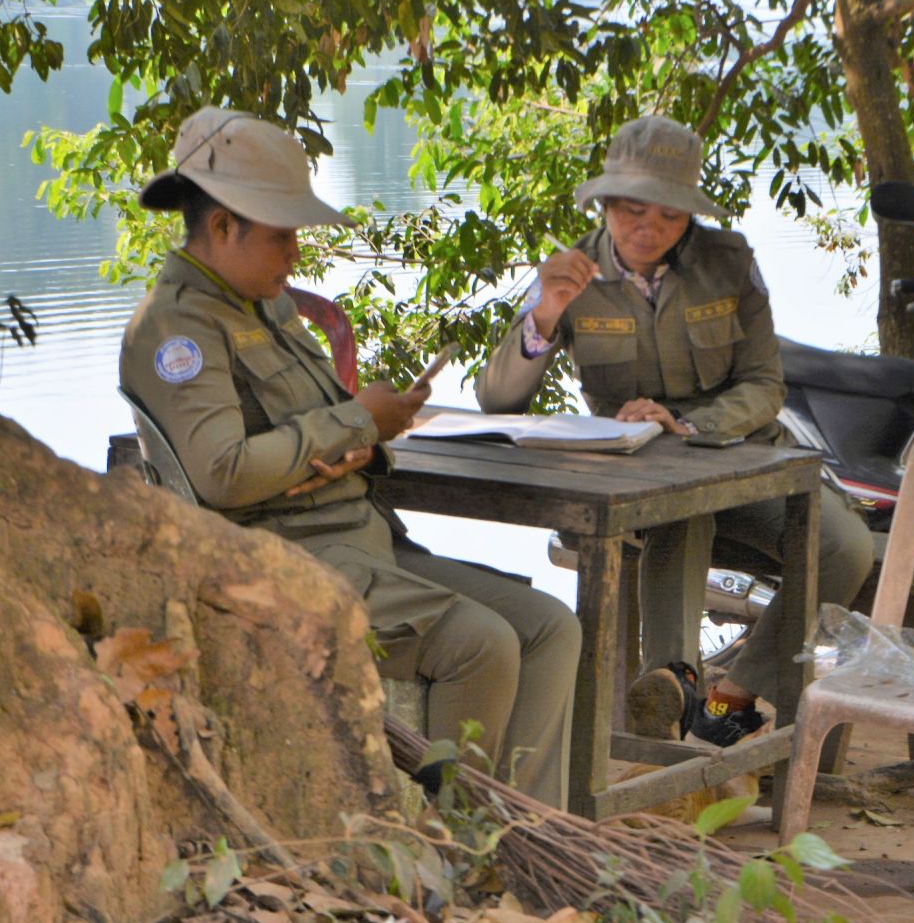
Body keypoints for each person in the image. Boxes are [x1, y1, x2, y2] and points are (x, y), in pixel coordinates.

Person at [120, 107, 579, 806]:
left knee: (550, 625)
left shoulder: (261, 304)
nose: (296, 254)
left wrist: (364, 433)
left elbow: (306, 433)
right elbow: (222, 472)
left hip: (362, 545)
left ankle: (528, 832)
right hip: (283, 563)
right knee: (480, 645)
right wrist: (353, 419)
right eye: (282, 237)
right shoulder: (176, 326)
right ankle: (456, 848)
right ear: (220, 227)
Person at [476, 114, 874, 748]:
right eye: (633, 210)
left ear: (689, 215)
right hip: (640, 476)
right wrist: (545, 314)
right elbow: (496, 401)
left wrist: (687, 423)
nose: (648, 228)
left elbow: (765, 386)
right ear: (605, 203)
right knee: (681, 520)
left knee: (847, 547)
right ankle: (671, 693)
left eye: (668, 215)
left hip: (741, 458)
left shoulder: (731, 263)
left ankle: (731, 695)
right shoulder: (569, 274)